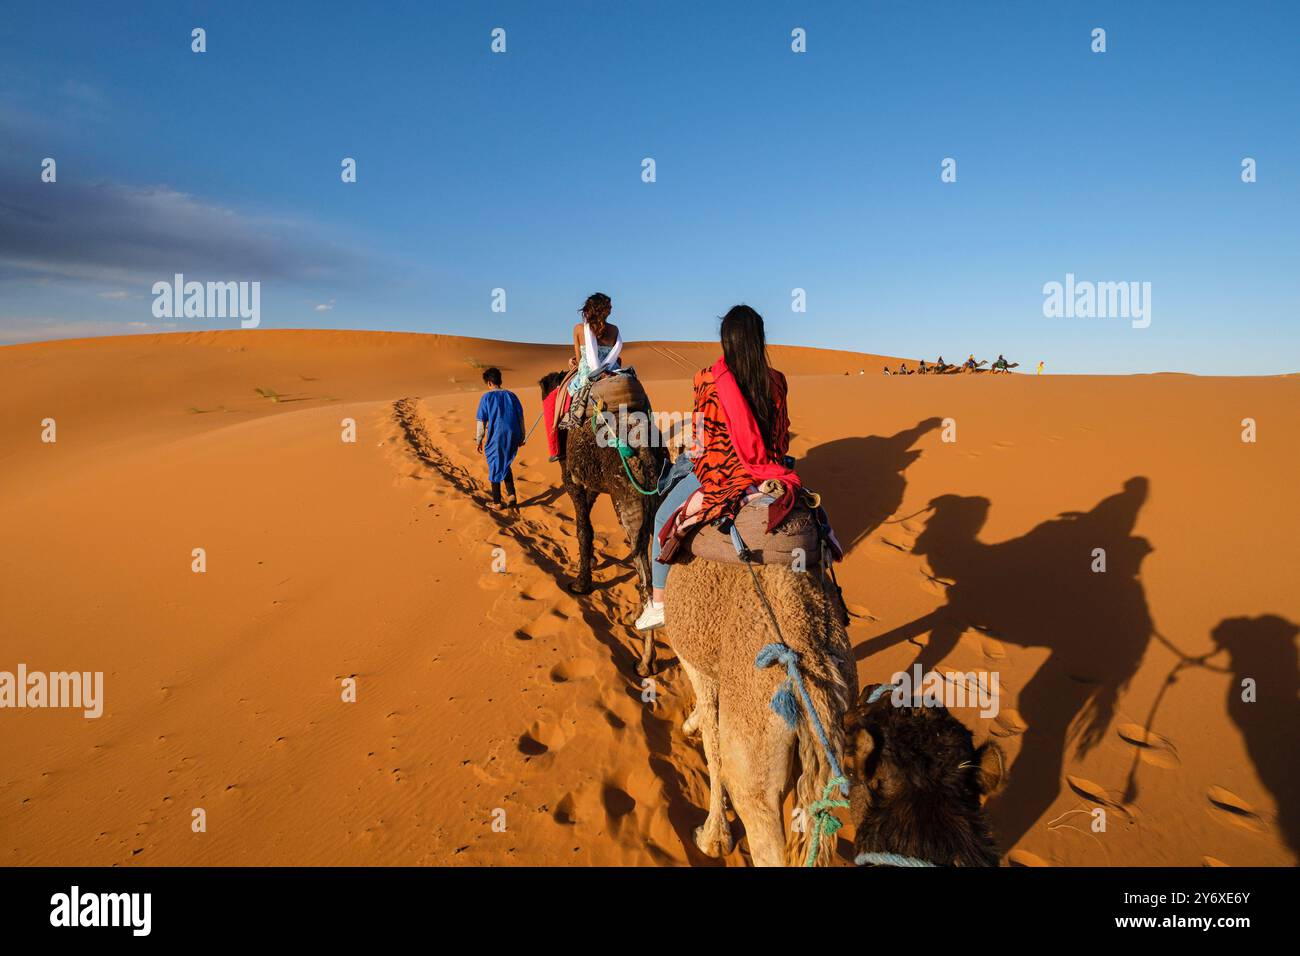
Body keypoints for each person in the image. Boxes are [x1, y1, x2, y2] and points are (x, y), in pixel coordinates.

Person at [635, 304, 798, 631]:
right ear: (759, 340)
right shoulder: (777, 382)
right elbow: (781, 439)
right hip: (769, 473)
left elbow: (703, 441)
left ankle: (659, 604)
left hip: (721, 475)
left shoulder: (707, 380)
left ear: (727, 342)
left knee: (662, 517)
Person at [542, 293, 624, 460]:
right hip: (611, 373)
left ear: (590, 310)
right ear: (604, 310)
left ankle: (555, 449)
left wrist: (573, 362)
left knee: (552, 400)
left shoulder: (579, 329)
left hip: (587, 376)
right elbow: (615, 356)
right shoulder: (615, 330)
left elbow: (580, 361)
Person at [475, 367, 525, 509]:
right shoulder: (512, 396)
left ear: (490, 382)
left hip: (496, 436)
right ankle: (511, 495)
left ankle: (497, 502)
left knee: (494, 464)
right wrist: (521, 435)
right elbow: (520, 417)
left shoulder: (487, 397)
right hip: (512, 434)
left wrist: (479, 439)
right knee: (505, 462)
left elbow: (481, 421)